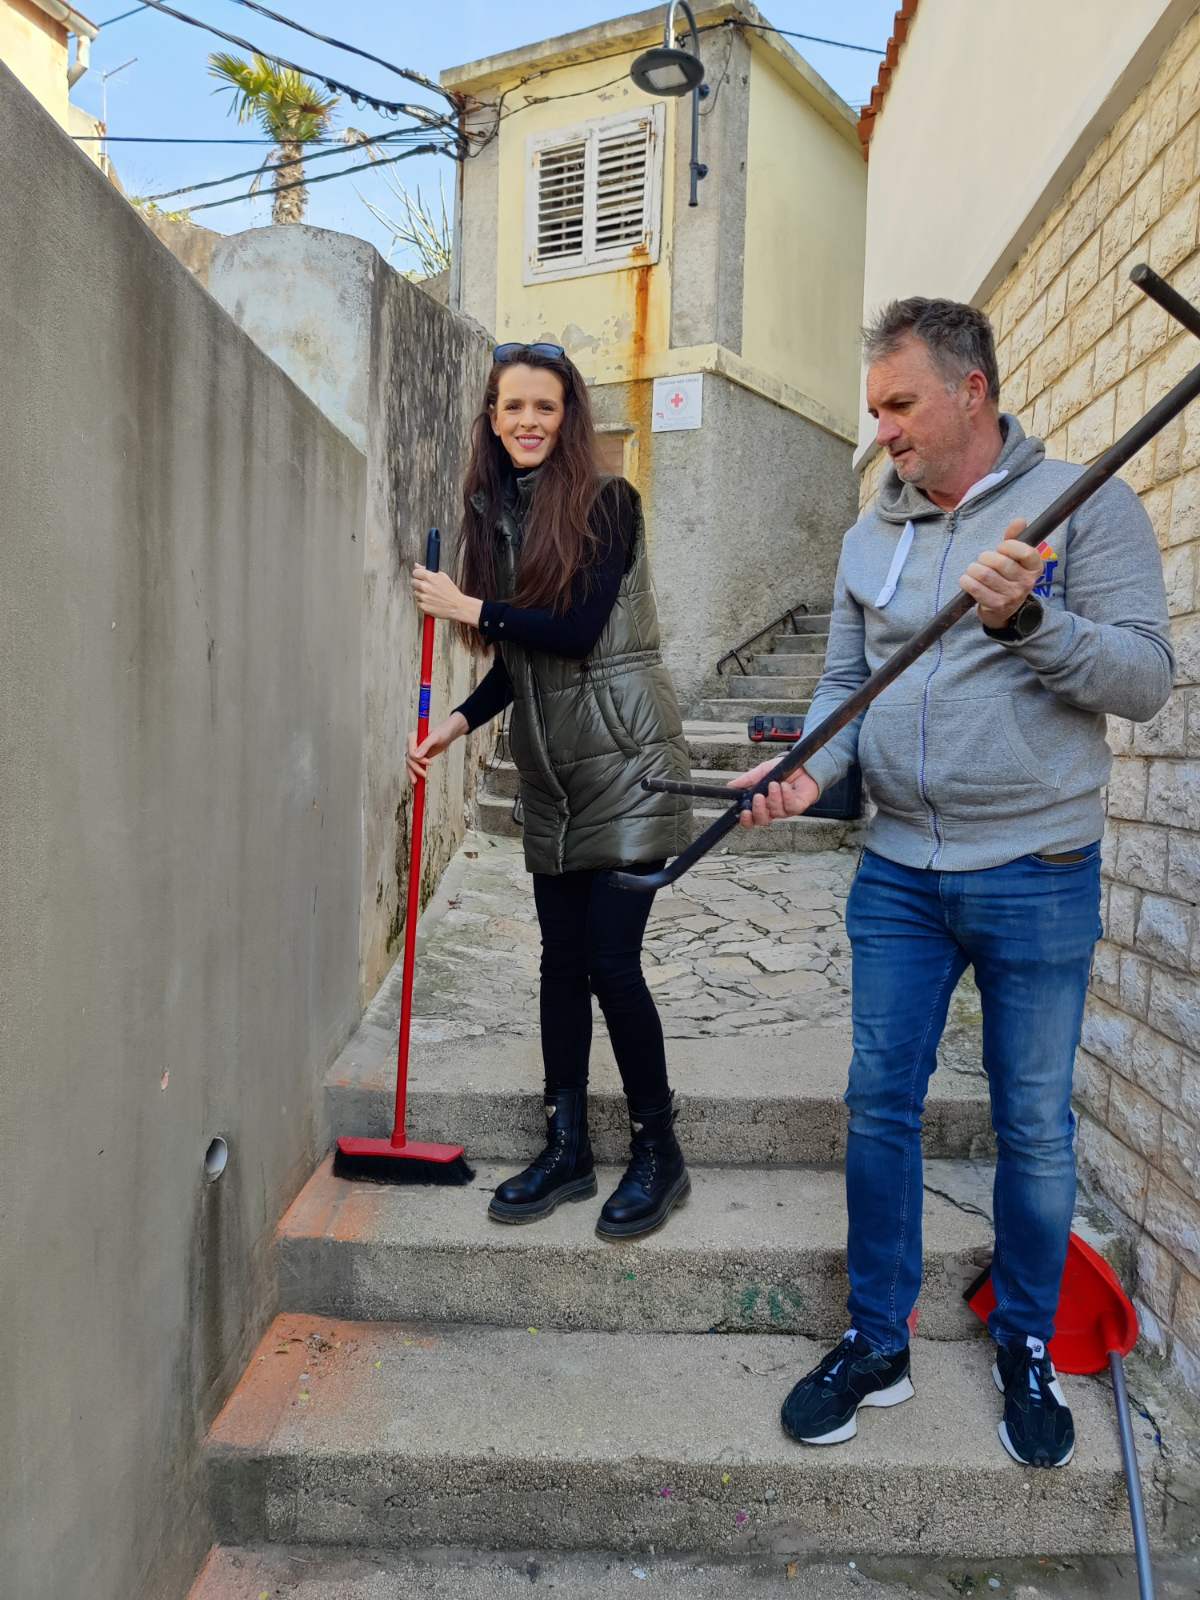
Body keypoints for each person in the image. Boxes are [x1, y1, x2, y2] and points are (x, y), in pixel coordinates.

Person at [732, 299, 1173, 1469]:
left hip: (1038, 869)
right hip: (898, 873)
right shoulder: (869, 533)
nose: (881, 429)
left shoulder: (1086, 504)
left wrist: (1030, 620)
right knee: (880, 1102)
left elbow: (1144, 679)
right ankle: (878, 1338)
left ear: (972, 389)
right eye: (875, 406)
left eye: (900, 403)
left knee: (1031, 1120)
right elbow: (845, 689)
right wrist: (805, 768)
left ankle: (1026, 1336)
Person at [407, 341, 694, 1240]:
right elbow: (524, 661)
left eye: (546, 406)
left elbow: (574, 631)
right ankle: (566, 1147)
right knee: (560, 964)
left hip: (626, 761)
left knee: (611, 961)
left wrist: (467, 608)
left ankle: (659, 1152)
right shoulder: (499, 518)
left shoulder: (608, 503)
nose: (528, 421)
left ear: (568, 417)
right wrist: (457, 722)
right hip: (556, 775)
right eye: (513, 407)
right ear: (492, 420)